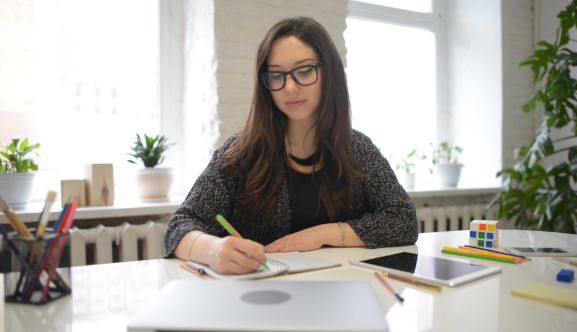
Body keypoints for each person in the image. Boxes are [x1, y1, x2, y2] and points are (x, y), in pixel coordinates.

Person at [164, 16, 418, 275]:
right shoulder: (241, 153)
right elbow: (180, 226)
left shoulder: (357, 149)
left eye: (305, 71)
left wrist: (325, 233)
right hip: (261, 298)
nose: (290, 87)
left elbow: (403, 220)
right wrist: (212, 250)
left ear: (327, 73)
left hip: (338, 295)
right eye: (276, 75)